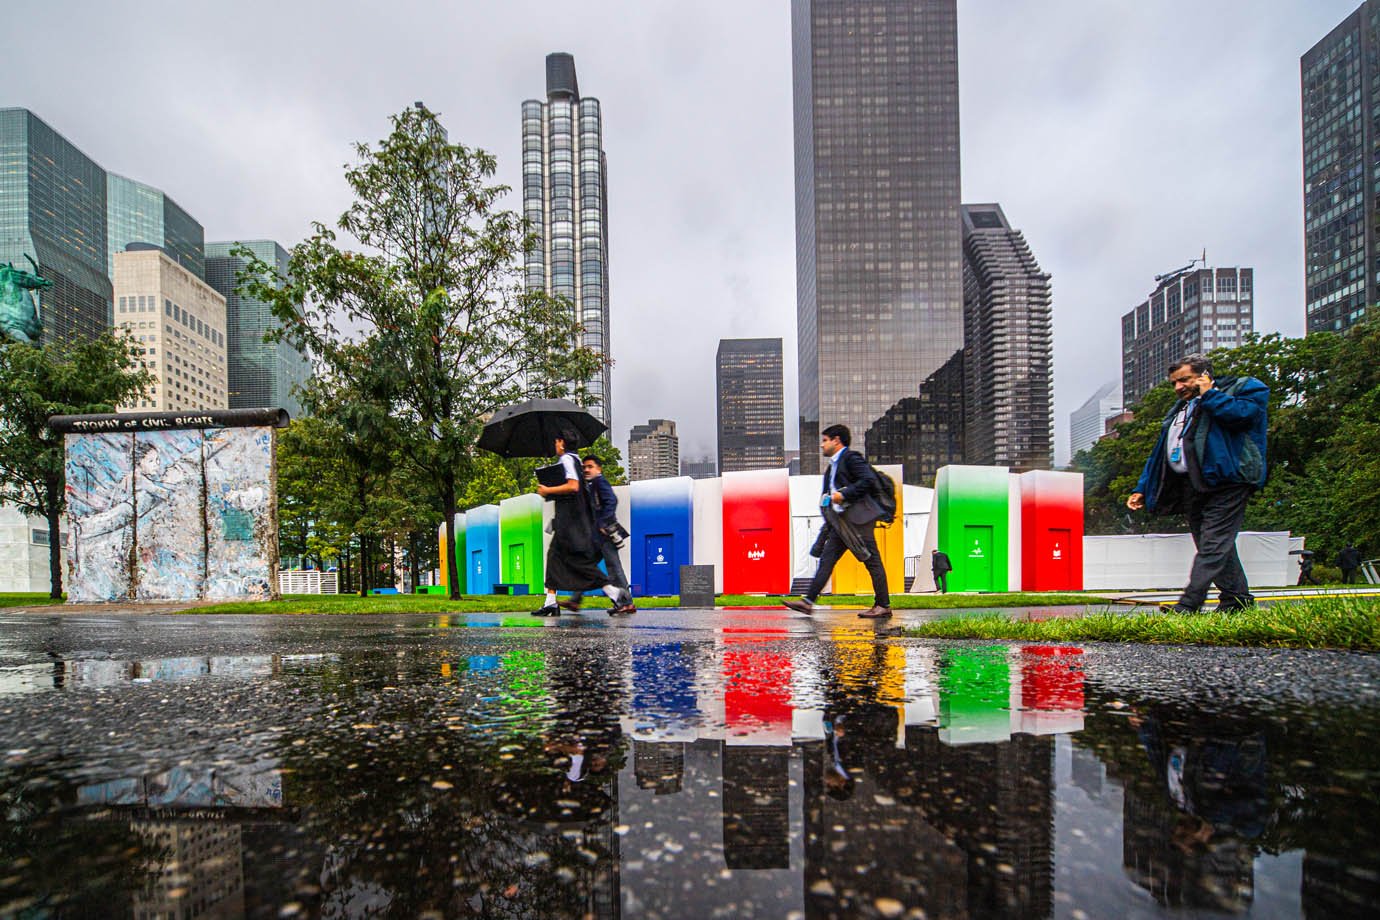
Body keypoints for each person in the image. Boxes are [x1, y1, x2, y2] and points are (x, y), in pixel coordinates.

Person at [1127, 354, 1269, 614]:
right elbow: (1161, 452)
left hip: (1228, 480)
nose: (1178, 387)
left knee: (1213, 544)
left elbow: (1244, 416)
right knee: (1212, 545)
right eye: (1174, 383)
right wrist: (1142, 487)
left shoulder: (1243, 388)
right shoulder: (1179, 410)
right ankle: (1237, 601)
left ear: (1204, 375)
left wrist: (1209, 394)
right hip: (1193, 484)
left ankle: (1189, 604)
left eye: (1184, 380)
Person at [783, 424, 892, 619]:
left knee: (872, 561)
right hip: (842, 522)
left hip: (859, 521)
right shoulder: (831, 468)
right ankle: (808, 602)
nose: (821, 445)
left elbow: (867, 480)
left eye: (825, 440)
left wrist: (843, 494)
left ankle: (883, 605)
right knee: (827, 559)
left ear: (836, 440)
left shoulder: (851, 458)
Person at [534, 429, 636, 617]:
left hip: (587, 528)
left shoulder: (569, 461)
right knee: (558, 557)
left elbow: (574, 487)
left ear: (562, 443)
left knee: (588, 563)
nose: (555, 445)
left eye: (556, 442)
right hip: (581, 527)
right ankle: (553, 601)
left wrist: (548, 490)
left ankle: (618, 595)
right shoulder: (576, 464)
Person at [560, 454, 634, 613]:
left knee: (614, 569)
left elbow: (612, 501)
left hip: (605, 534)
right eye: (584, 467)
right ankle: (575, 601)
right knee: (585, 567)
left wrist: (602, 523)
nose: (586, 469)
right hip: (594, 538)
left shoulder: (600, 482)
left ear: (598, 468)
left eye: (590, 467)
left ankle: (627, 603)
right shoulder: (590, 485)